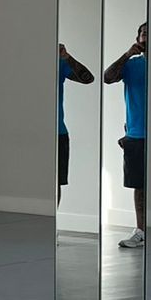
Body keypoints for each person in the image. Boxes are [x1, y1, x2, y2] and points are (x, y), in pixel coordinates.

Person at [104, 21, 148, 248]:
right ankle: (141, 231)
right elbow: (107, 77)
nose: (146, 37)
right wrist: (127, 54)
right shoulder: (132, 65)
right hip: (136, 135)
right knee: (139, 187)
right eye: (143, 33)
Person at [57, 43, 94, 190]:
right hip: (31, 132)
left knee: (55, 183)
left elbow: (88, 78)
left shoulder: (59, 62)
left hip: (58, 132)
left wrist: (66, 57)